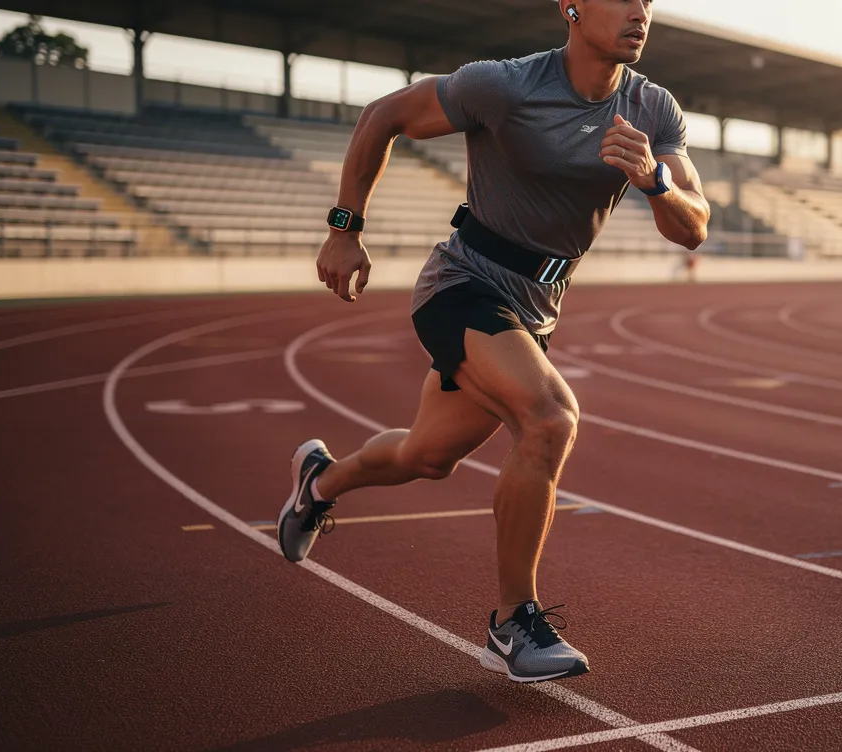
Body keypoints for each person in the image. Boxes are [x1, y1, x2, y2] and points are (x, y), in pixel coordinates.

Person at [276, 0, 709, 684]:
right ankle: (512, 623)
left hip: (538, 307)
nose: (638, 12)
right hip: (462, 282)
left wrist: (655, 182)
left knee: (427, 455)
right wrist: (343, 228)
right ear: (570, 7)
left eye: (648, 0)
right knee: (549, 419)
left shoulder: (653, 109)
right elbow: (383, 115)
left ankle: (318, 482)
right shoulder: (505, 86)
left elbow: (693, 226)